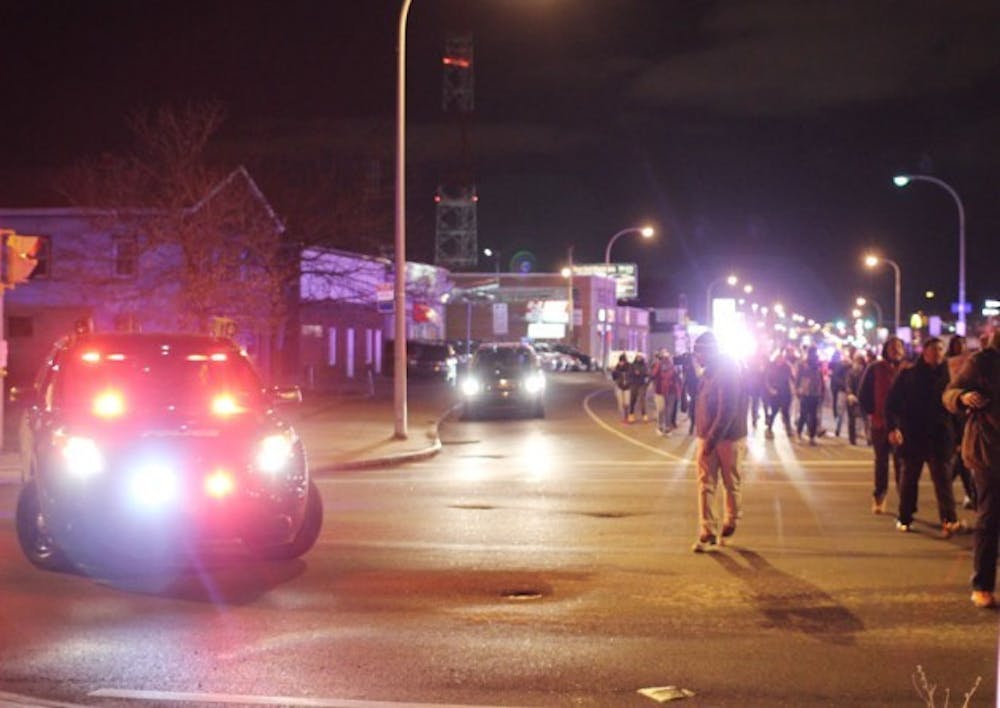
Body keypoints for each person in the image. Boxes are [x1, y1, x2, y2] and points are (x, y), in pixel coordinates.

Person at [943, 331, 1000, 608]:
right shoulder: (982, 362)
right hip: (988, 449)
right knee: (989, 518)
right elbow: (950, 392)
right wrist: (963, 397)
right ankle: (982, 585)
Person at [885, 337, 963, 535]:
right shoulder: (909, 375)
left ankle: (949, 519)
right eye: (933, 349)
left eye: (940, 349)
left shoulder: (950, 378)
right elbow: (891, 403)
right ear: (924, 352)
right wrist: (893, 428)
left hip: (940, 435)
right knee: (909, 479)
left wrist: (960, 437)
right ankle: (905, 516)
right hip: (913, 434)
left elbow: (957, 411)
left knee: (943, 481)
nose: (937, 353)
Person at [690, 331, 749, 552]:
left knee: (730, 482)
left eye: (699, 352)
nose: (697, 357)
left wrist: (711, 439)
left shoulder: (727, 371)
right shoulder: (708, 373)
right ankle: (707, 530)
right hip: (708, 435)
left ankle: (731, 521)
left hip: (728, 438)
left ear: (709, 351)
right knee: (706, 483)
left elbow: (727, 410)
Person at [859, 336, 906, 514]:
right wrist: (872, 411)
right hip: (880, 423)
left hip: (902, 425)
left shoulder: (907, 369)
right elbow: (863, 393)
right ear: (885, 350)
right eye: (892, 347)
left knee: (901, 463)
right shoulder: (875, 368)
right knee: (881, 462)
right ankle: (879, 496)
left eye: (899, 347)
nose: (896, 350)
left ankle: (905, 499)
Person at [946, 336, 977, 510]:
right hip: (952, 410)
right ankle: (968, 492)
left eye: (963, 343)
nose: (961, 347)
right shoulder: (947, 364)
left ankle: (951, 484)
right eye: (957, 344)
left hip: (967, 411)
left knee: (962, 459)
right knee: (960, 458)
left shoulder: (971, 363)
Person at [795, 346, 824, 445]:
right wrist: (797, 389)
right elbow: (798, 378)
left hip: (813, 392)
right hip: (806, 391)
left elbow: (820, 378)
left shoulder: (817, 363)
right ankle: (800, 433)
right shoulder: (803, 364)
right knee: (805, 414)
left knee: (812, 415)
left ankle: (811, 436)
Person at [763, 348, 795, 440]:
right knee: (774, 411)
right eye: (779, 358)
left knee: (785, 412)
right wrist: (770, 389)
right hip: (775, 392)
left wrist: (795, 386)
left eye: (782, 358)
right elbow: (766, 380)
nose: (781, 360)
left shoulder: (787, 367)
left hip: (785, 392)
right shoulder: (771, 367)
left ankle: (788, 429)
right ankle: (769, 428)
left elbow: (791, 378)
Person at [651, 350, 680, 435]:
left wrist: (678, 390)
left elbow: (677, 378)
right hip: (660, 390)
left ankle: (667, 428)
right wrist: (658, 364)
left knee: (669, 410)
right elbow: (653, 375)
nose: (666, 358)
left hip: (671, 390)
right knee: (661, 409)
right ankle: (659, 426)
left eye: (668, 356)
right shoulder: (658, 364)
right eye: (664, 357)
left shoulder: (673, 365)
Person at [844, 352, 868, 446]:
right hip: (852, 398)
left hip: (862, 398)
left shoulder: (865, 372)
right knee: (852, 419)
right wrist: (850, 394)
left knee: (866, 419)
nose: (858, 364)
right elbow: (848, 384)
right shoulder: (851, 372)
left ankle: (868, 437)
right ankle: (852, 438)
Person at [629, 352, 651, 423]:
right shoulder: (632, 365)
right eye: (638, 357)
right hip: (634, 384)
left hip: (642, 384)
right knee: (633, 399)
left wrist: (641, 373)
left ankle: (644, 414)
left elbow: (647, 373)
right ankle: (631, 414)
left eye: (640, 357)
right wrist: (634, 374)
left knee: (642, 399)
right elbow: (629, 373)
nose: (639, 358)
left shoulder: (645, 365)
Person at [611, 353, 632, 423]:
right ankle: (623, 418)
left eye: (623, 361)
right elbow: (614, 378)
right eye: (620, 361)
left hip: (628, 387)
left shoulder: (629, 367)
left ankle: (627, 416)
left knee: (627, 403)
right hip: (619, 387)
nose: (621, 362)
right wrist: (613, 372)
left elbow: (632, 376)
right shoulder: (617, 367)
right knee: (621, 404)